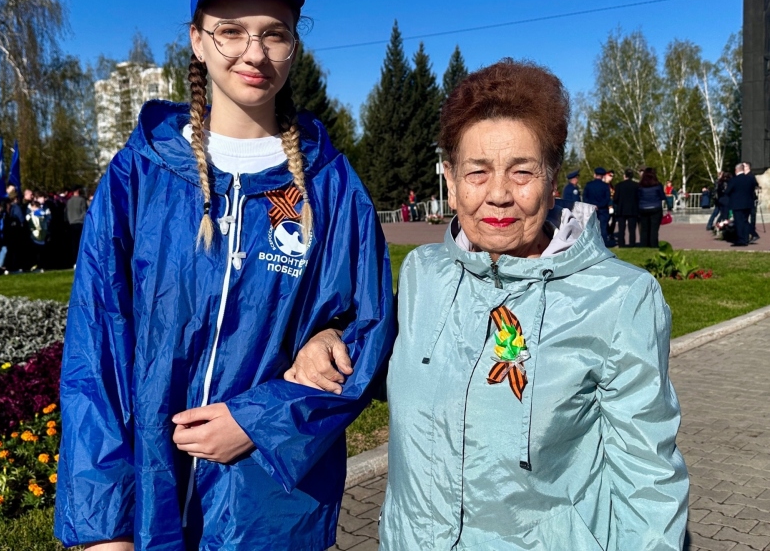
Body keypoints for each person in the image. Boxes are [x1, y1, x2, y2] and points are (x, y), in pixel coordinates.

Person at [54, 0, 395, 551]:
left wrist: (258, 419)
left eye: (274, 33)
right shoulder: (141, 175)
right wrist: (105, 527)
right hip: (151, 503)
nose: (254, 52)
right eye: (231, 31)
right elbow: (96, 350)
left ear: (295, 44)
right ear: (196, 39)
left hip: (271, 509)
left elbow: (369, 329)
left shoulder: (330, 184)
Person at [288, 60, 688, 549]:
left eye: (522, 172)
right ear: (451, 182)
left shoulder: (619, 298)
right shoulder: (423, 272)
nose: (498, 195)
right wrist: (328, 337)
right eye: (477, 172)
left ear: (552, 181)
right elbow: (386, 366)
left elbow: (648, 479)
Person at [725, 162, 759, 247]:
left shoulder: (734, 180)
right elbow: (753, 188)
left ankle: (741, 240)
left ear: (736, 170)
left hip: (737, 204)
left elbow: (727, 191)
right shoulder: (750, 179)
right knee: (745, 221)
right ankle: (746, 238)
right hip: (748, 203)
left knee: (739, 222)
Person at [582, 167, 612, 246]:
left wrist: (592, 205)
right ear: (603, 176)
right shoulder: (605, 186)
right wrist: (599, 205)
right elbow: (607, 198)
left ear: (595, 175)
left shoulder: (589, 185)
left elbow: (585, 197)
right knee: (603, 228)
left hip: (591, 210)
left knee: (591, 228)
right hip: (603, 210)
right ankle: (603, 244)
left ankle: (591, 244)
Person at [637, 167, 666, 248]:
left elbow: (638, 197)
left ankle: (644, 245)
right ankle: (653, 245)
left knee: (644, 229)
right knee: (654, 229)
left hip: (643, 208)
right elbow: (662, 196)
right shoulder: (658, 185)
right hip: (655, 207)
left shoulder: (640, 186)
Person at [612, 168, 639, 247]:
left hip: (621, 209)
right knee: (632, 229)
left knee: (621, 229)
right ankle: (632, 243)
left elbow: (615, 198)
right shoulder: (636, 185)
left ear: (625, 176)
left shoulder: (619, 185)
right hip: (633, 209)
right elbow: (638, 197)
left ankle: (621, 243)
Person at [65, 187, 87, 265]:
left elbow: (66, 213)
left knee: (73, 244)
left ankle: (74, 261)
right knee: (80, 242)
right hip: (79, 223)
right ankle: (81, 260)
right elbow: (84, 212)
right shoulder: (82, 200)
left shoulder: (69, 201)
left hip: (71, 223)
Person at [743, 162, 760, 243]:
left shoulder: (751, 176)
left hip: (750, 199)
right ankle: (749, 234)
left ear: (748, 167)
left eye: (744, 166)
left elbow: (755, 185)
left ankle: (753, 234)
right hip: (746, 199)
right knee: (745, 218)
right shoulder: (745, 176)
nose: (743, 167)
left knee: (751, 217)